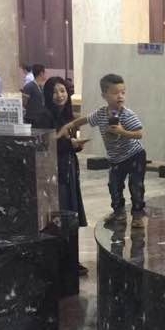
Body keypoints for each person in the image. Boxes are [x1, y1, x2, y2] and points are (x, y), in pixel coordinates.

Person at [58, 74, 146, 230]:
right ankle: (119, 213)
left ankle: (138, 215)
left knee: (136, 186)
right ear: (104, 95)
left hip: (134, 155)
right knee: (114, 186)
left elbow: (139, 134)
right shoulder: (101, 114)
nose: (120, 96)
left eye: (123, 92)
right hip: (115, 159)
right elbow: (85, 120)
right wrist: (70, 125)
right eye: (115, 93)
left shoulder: (127, 114)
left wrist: (122, 131)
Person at [41, 76, 89, 275]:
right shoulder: (44, 116)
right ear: (47, 94)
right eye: (54, 91)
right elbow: (46, 144)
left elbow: (67, 145)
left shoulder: (67, 116)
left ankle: (71, 261)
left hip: (69, 172)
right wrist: (69, 144)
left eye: (62, 91)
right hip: (55, 175)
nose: (59, 95)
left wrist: (75, 146)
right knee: (60, 216)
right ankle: (61, 262)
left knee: (71, 216)